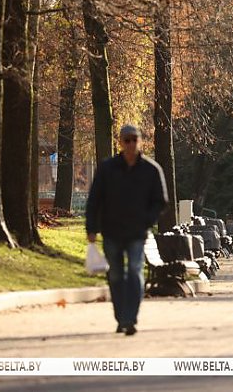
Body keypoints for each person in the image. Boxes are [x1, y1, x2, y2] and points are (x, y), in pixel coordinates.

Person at [85, 124, 167, 336]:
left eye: (134, 139)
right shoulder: (107, 168)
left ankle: (130, 318)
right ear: (120, 142)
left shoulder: (151, 170)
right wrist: (91, 228)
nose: (130, 144)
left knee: (135, 272)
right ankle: (121, 316)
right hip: (112, 230)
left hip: (137, 232)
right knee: (115, 275)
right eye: (126, 140)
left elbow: (160, 201)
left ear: (140, 141)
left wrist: (147, 220)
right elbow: (94, 199)